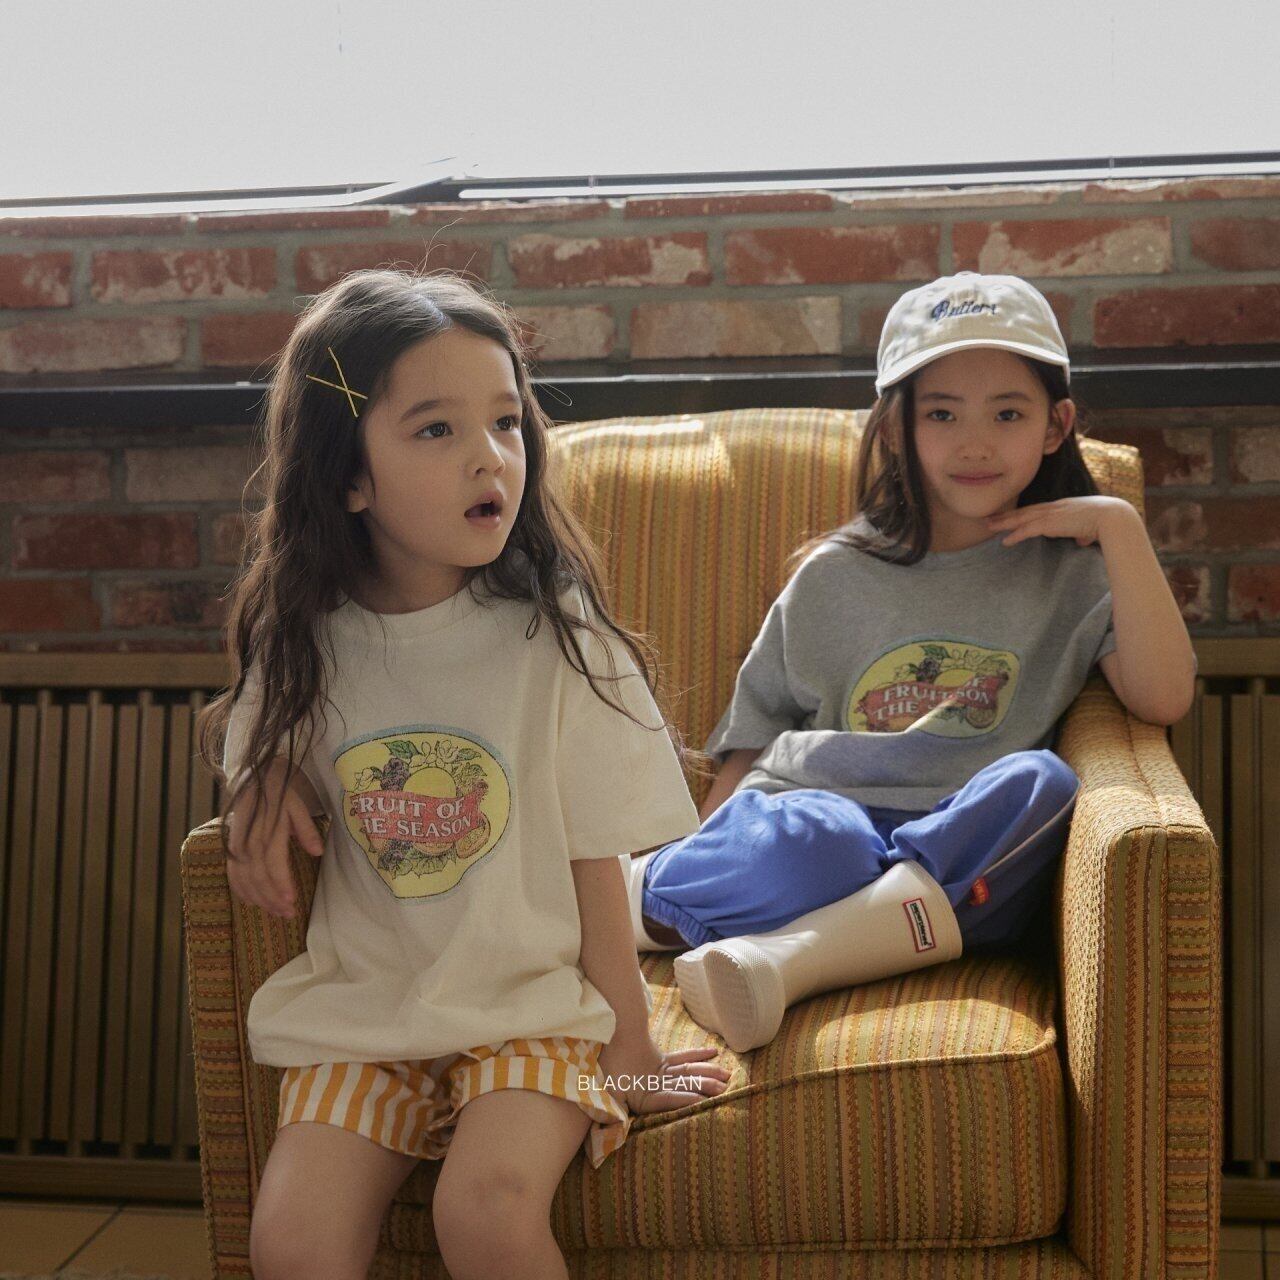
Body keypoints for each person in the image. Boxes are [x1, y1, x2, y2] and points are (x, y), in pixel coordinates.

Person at [197, 267, 730, 1280]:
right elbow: (266, 766)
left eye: (505, 422)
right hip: (365, 1017)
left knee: (482, 1213)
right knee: (291, 1243)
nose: (489, 455)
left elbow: (594, 850)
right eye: (436, 429)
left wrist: (631, 1042)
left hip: (533, 1011)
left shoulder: (552, 634)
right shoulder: (302, 642)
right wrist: (265, 781)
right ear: (348, 476)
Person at [616, 270, 1197, 1054]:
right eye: (942, 413)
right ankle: (631, 906)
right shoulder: (835, 574)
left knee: (1045, 784)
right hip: (821, 822)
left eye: (1008, 413)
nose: (975, 442)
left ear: (1055, 426)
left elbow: (1163, 698)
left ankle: (783, 960)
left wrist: (1120, 526)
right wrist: (704, 856)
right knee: (824, 842)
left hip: (955, 850)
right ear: (895, 429)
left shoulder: (1077, 576)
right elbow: (753, 741)